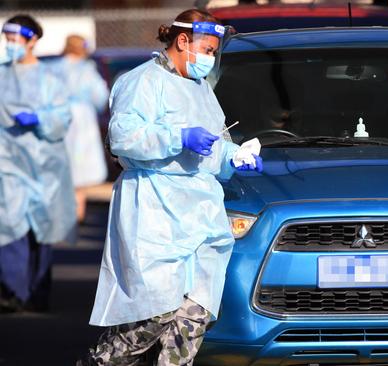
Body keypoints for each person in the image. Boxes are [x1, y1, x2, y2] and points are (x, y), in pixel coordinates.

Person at [77, 9, 262, 365]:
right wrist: (177, 137)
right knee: (152, 315)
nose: (210, 58)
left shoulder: (201, 90)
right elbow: (124, 138)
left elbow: (214, 145)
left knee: (194, 316)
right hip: (156, 210)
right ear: (182, 41)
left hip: (202, 213)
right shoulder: (142, 82)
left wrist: (235, 156)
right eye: (207, 49)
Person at [0, 15, 75, 313]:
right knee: (8, 224)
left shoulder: (49, 79)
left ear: (32, 40)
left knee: (40, 230)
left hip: (43, 165)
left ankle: (36, 291)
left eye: (15, 39)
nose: (10, 45)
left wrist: (41, 119)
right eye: (7, 38)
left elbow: (62, 117)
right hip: (7, 164)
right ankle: (11, 291)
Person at [49, 34, 109, 222]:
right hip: (82, 119)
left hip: (59, 117)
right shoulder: (87, 70)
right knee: (81, 163)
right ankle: (78, 209)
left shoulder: (53, 68)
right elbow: (100, 96)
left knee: (61, 160)